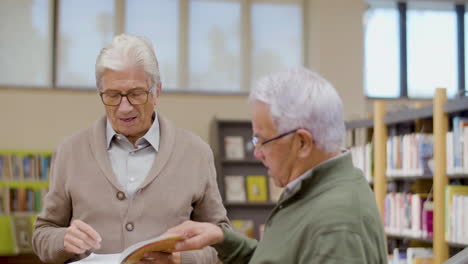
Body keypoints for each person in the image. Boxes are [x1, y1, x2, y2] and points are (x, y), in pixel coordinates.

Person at [32, 34, 228, 264]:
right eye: (113, 95)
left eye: (136, 94)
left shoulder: (196, 153)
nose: (124, 108)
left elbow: (221, 240)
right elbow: (43, 233)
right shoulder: (70, 152)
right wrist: (62, 239)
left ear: (157, 92)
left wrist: (180, 258)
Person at [165, 67, 388, 263]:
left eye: (263, 140)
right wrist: (222, 238)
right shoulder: (312, 191)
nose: (257, 152)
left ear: (302, 143)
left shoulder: (336, 225)